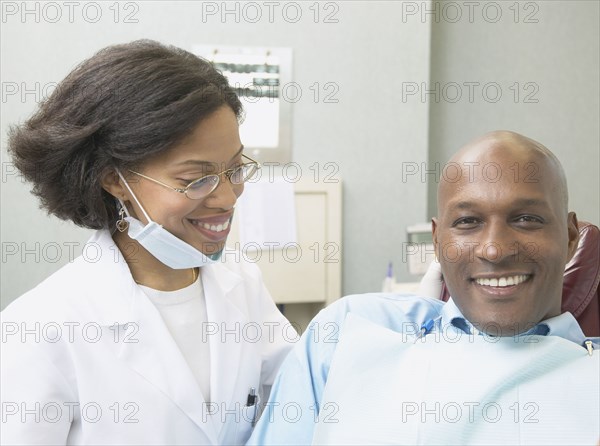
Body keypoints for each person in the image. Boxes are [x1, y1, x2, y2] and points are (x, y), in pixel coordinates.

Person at [1, 40, 295, 445]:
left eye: (235, 169)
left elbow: (297, 398)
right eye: (195, 178)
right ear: (115, 179)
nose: (227, 198)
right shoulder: (39, 328)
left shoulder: (241, 284)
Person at [248, 131, 600, 445]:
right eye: (467, 222)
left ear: (571, 236)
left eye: (526, 219)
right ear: (437, 240)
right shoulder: (349, 330)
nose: (494, 249)